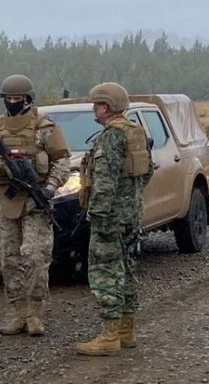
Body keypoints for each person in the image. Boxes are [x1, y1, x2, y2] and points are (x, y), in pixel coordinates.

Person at [0, 74, 71, 336]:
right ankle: (18, 312)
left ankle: (35, 313)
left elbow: (62, 161)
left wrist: (49, 188)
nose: (13, 102)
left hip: (36, 201)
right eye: (9, 98)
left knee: (36, 257)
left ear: (27, 98)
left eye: (18, 98)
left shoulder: (45, 127)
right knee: (8, 258)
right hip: (4, 199)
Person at [76, 82, 152, 356]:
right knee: (128, 270)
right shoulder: (136, 132)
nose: (94, 109)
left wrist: (96, 214)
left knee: (105, 273)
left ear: (106, 106)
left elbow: (104, 181)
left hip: (109, 217)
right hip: (132, 214)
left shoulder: (110, 137)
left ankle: (110, 337)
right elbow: (147, 172)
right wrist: (130, 198)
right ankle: (127, 331)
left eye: (97, 104)